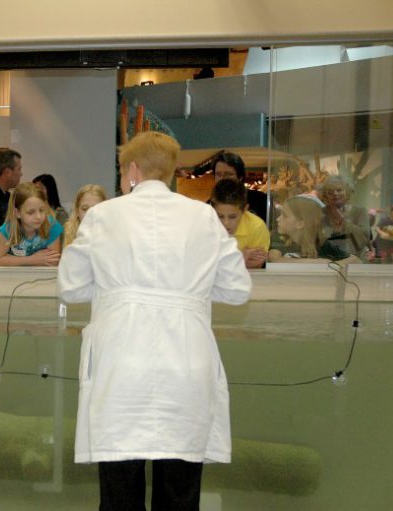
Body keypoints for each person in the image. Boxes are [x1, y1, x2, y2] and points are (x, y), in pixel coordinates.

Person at [58, 131, 252, 511]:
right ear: (171, 171)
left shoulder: (102, 216)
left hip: (122, 365)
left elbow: (70, 288)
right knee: (180, 494)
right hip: (187, 365)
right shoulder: (203, 217)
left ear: (131, 170)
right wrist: (189, 289)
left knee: (119, 492)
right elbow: (236, 290)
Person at [267, 194, 361, 263]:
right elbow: (274, 259)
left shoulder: (322, 243)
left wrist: (331, 265)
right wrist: (320, 263)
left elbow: (356, 261)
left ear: (300, 223)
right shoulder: (279, 238)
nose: (277, 219)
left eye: (284, 215)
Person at [0, 182, 63, 266]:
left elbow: (53, 261)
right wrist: (32, 260)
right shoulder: (9, 228)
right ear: (17, 213)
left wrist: (11, 259)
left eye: (42, 210)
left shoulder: (51, 225)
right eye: (31, 212)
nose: (38, 216)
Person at [210, 179, 269, 269]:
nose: (226, 223)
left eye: (233, 217)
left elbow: (256, 264)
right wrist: (241, 256)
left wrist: (220, 261)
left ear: (245, 209)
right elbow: (202, 265)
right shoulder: (204, 225)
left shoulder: (257, 227)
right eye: (220, 216)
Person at [318, 176, 371, 260]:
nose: (335, 194)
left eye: (339, 190)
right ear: (326, 196)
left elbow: (364, 240)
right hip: (327, 265)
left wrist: (343, 220)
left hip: (355, 265)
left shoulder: (360, 212)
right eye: (330, 192)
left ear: (347, 192)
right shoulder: (320, 214)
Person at [212, 151, 268, 222]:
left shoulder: (260, 199)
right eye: (218, 174)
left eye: (229, 174)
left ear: (240, 177)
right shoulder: (209, 205)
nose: (223, 178)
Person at [63, 184, 107, 248]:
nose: (89, 214)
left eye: (96, 209)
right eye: (85, 209)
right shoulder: (69, 231)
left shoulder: (111, 234)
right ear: (77, 211)